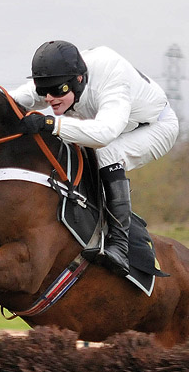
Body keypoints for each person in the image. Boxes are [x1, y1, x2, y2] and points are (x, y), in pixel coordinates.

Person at [11, 40, 179, 277]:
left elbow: (104, 134)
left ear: (78, 79)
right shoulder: (60, 80)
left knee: (105, 152)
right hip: (115, 125)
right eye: (43, 91)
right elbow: (12, 99)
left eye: (58, 91)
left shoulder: (111, 79)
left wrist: (50, 122)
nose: (50, 98)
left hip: (156, 127)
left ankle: (120, 245)